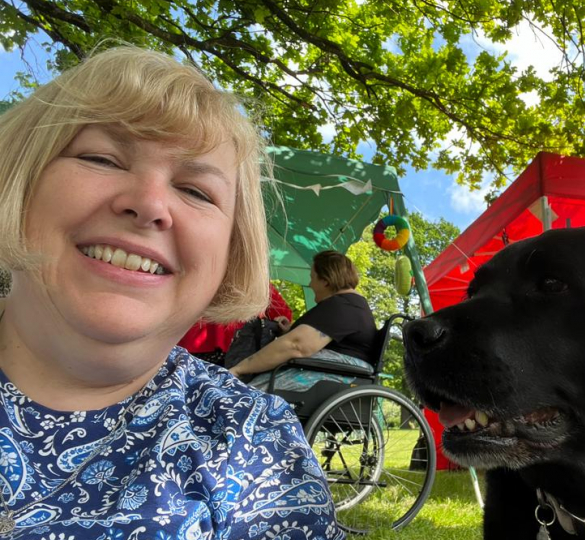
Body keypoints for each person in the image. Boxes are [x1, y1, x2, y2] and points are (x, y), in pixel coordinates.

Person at [0, 46, 343, 539]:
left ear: (230, 253)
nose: (149, 204)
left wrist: (243, 369)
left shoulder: (250, 442)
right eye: (102, 158)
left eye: (197, 191)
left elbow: (298, 344)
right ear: (22, 179)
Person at [229, 251, 377, 392]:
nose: (311, 284)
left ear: (325, 281)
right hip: (338, 372)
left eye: (312, 278)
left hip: (332, 373)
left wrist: (240, 369)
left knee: (245, 396)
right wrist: (289, 330)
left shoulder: (342, 306)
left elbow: (295, 346)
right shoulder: (350, 305)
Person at [179, 283, 293, 365]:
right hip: (236, 348)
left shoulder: (201, 270)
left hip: (188, 343)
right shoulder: (254, 280)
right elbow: (284, 316)